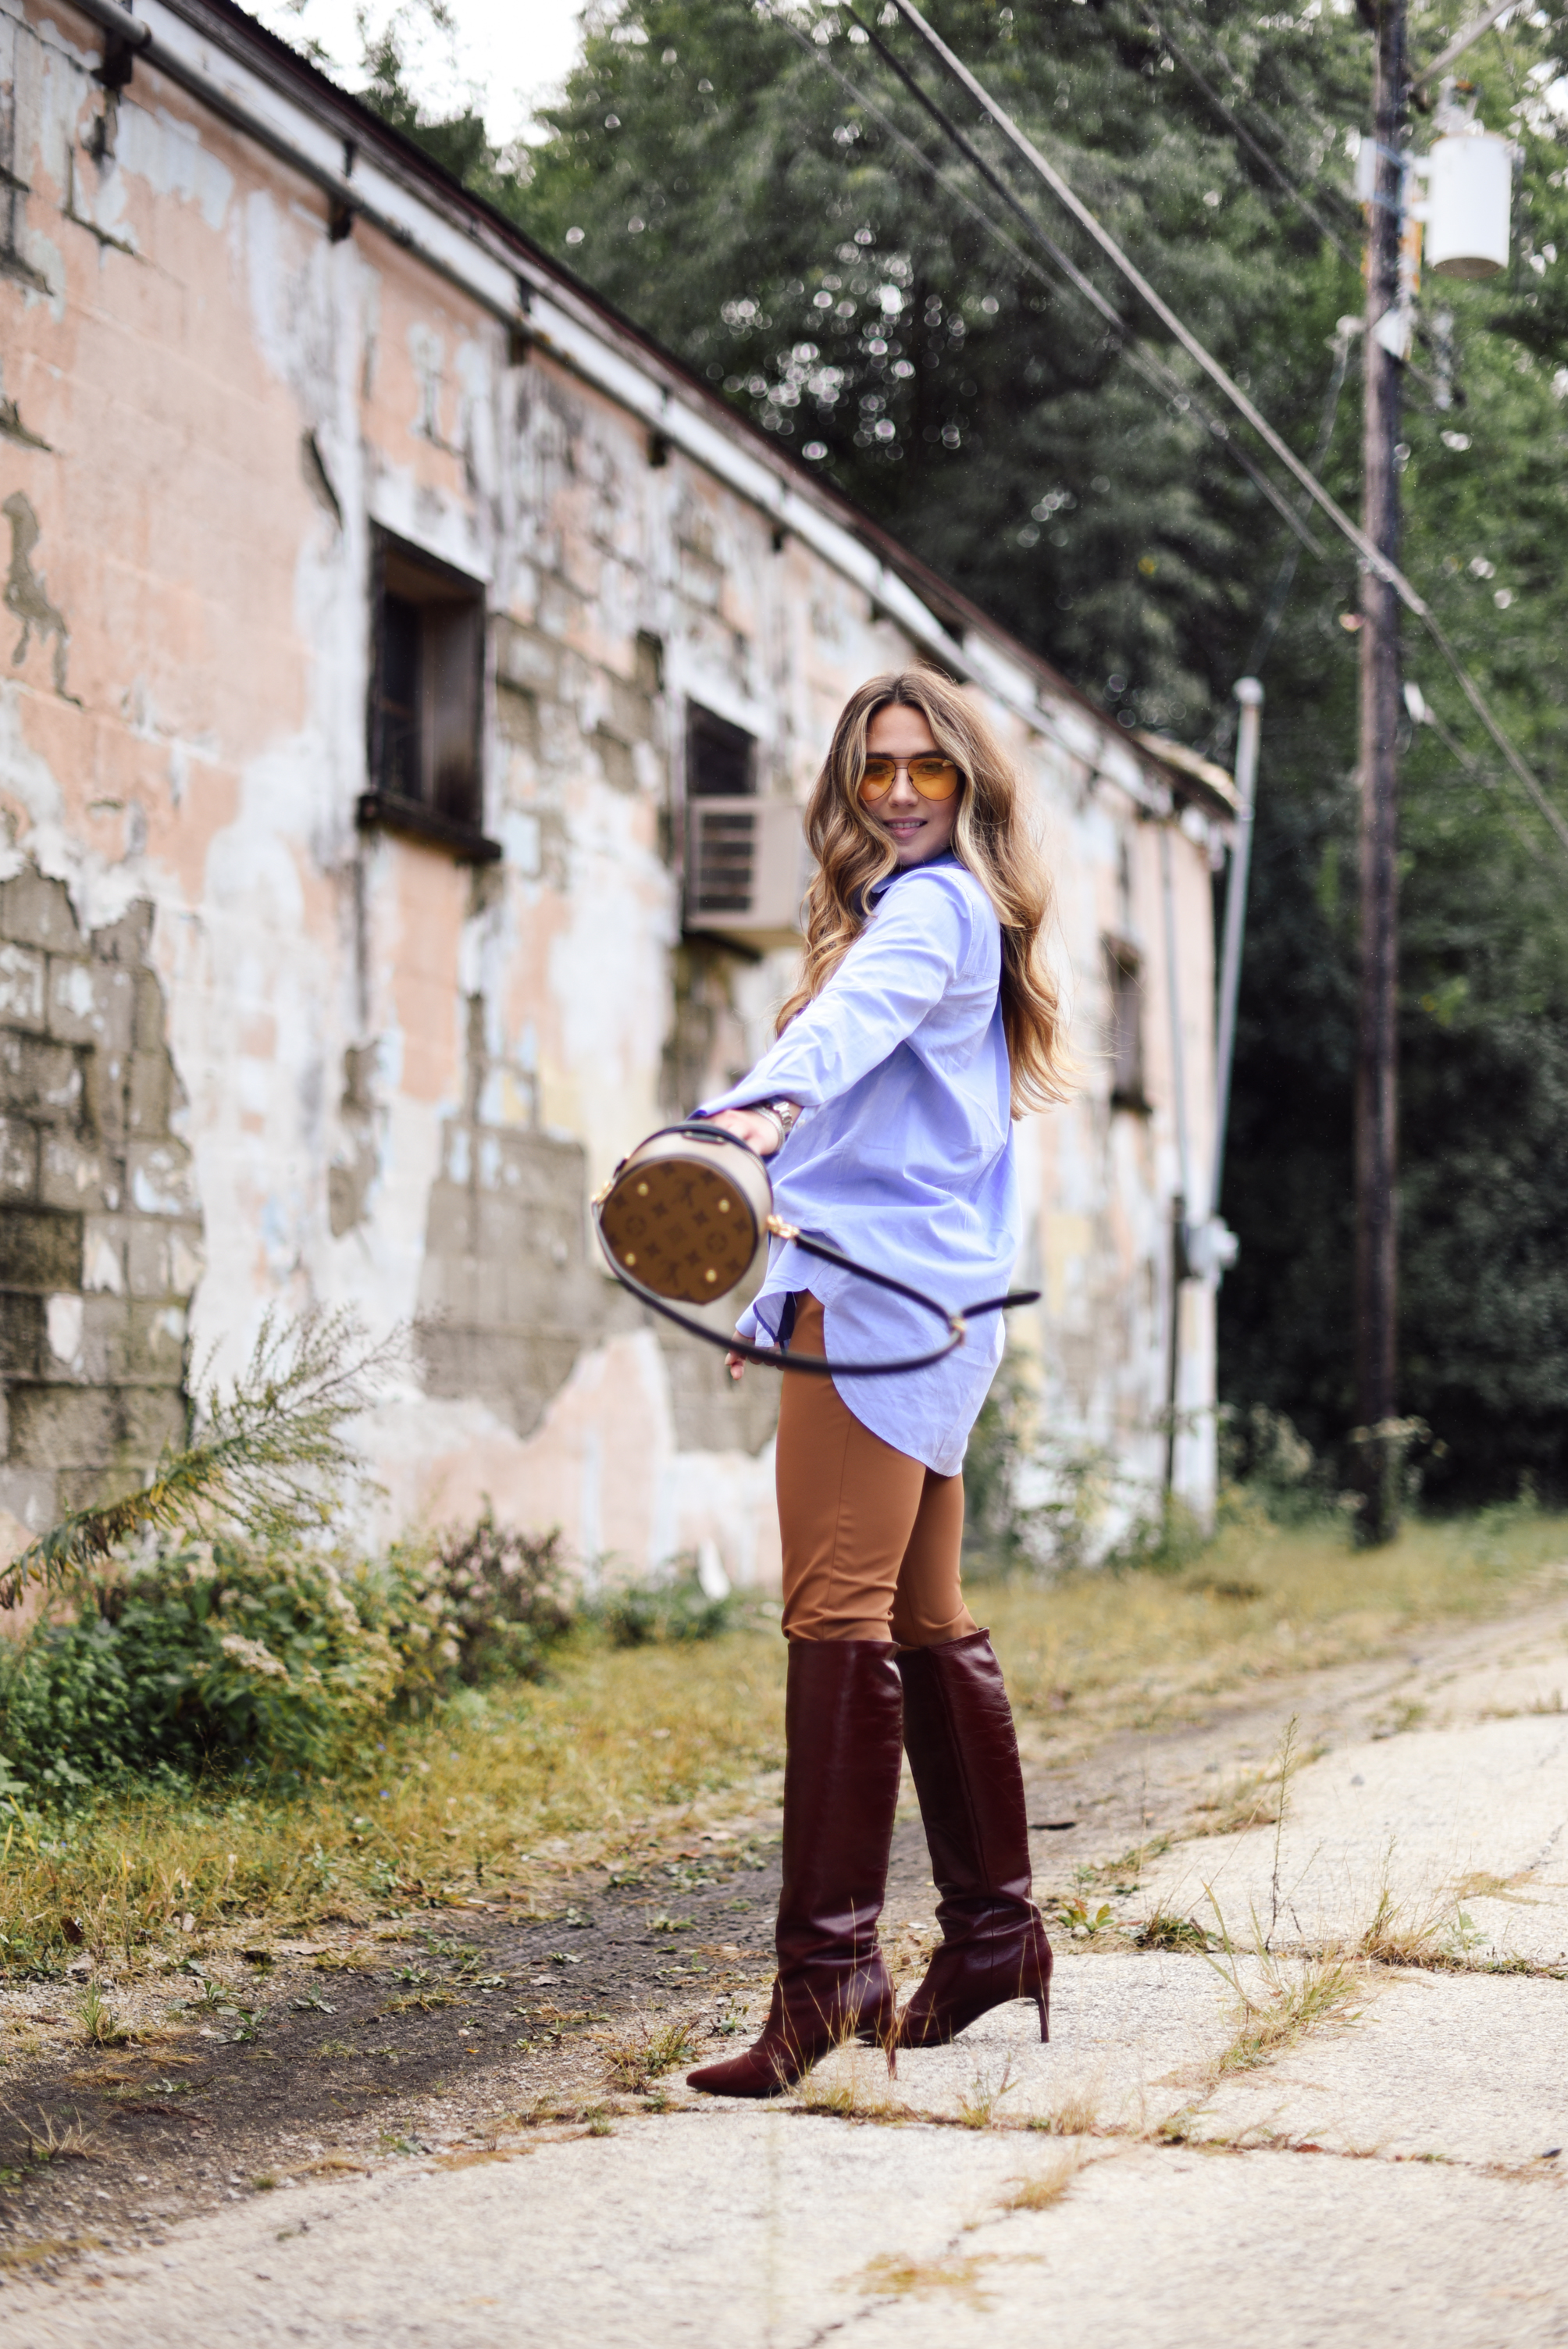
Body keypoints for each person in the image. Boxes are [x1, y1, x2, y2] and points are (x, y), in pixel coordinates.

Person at [683, 667, 1071, 2100]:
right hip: (920, 1306)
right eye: (876, 770)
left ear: (971, 783)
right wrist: (779, 1284)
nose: (901, 791)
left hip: (881, 1312)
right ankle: (993, 1936)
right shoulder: (951, 912)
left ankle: (830, 1975)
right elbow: (886, 1135)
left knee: (832, 1621)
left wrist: (755, 1109)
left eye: (929, 768)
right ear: (848, 788)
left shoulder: (931, 911)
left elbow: (843, 1044)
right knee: (920, 1616)